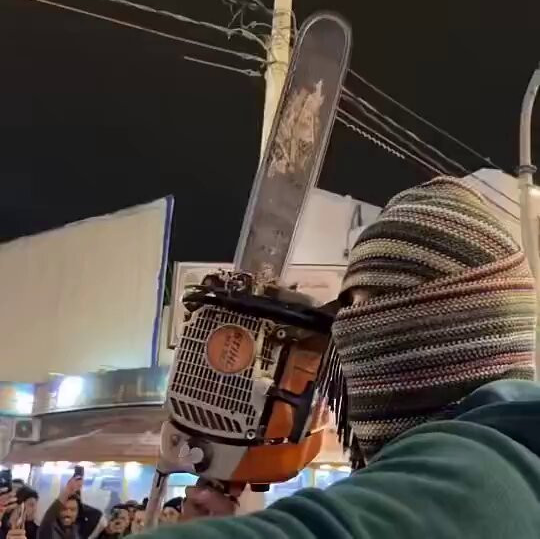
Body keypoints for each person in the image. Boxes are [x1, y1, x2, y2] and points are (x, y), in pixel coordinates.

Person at [136, 177, 540, 538]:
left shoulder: (469, 482)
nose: (344, 332)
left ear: (438, 329)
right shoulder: (519, 462)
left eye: (361, 305)